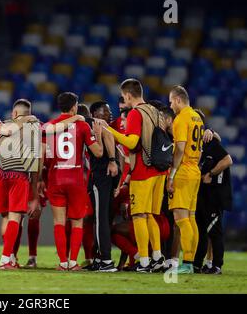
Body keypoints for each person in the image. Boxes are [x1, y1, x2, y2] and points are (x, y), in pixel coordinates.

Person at [102, 79, 167, 272]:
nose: (124, 99)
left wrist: (108, 130)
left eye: (123, 97)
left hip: (143, 171)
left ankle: (145, 262)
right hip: (160, 170)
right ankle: (158, 258)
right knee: (150, 215)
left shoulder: (135, 113)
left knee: (139, 215)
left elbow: (131, 142)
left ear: (128, 95)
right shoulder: (156, 111)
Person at [42, 92, 103, 271]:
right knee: (77, 222)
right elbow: (98, 152)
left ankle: (62, 262)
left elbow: (44, 151)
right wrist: (98, 136)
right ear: (74, 106)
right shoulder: (82, 126)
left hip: (56, 178)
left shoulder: (51, 125)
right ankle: (74, 262)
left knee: (58, 222)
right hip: (76, 179)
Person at [0, 99, 40, 269]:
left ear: (14, 113)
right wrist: (34, 190)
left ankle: (10, 256)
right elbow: (35, 160)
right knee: (15, 217)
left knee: (6, 217)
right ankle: (6, 259)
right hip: (19, 175)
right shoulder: (33, 128)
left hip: (0, 174)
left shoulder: (1, 125)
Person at [167, 85, 204, 274]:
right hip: (195, 171)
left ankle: (188, 263)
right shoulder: (196, 117)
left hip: (183, 171)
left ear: (178, 100)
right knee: (190, 218)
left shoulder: (181, 119)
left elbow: (180, 148)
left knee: (181, 219)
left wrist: (171, 175)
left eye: (171, 101)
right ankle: (191, 261)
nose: (171, 105)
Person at [194, 109, 233, 275]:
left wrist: (210, 174)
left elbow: (228, 160)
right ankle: (197, 264)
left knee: (214, 231)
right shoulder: (196, 145)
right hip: (202, 196)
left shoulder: (211, 143)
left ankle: (216, 265)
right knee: (201, 231)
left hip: (214, 196)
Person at [86, 101, 119, 272]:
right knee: (102, 218)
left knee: (100, 219)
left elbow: (106, 138)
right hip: (105, 176)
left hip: (101, 176)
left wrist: (112, 161)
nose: (109, 113)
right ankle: (100, 258)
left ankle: (105, 259)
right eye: (105, 111)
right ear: (94, 113)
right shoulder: (95, 123)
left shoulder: (99, 125)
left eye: (108, 110)